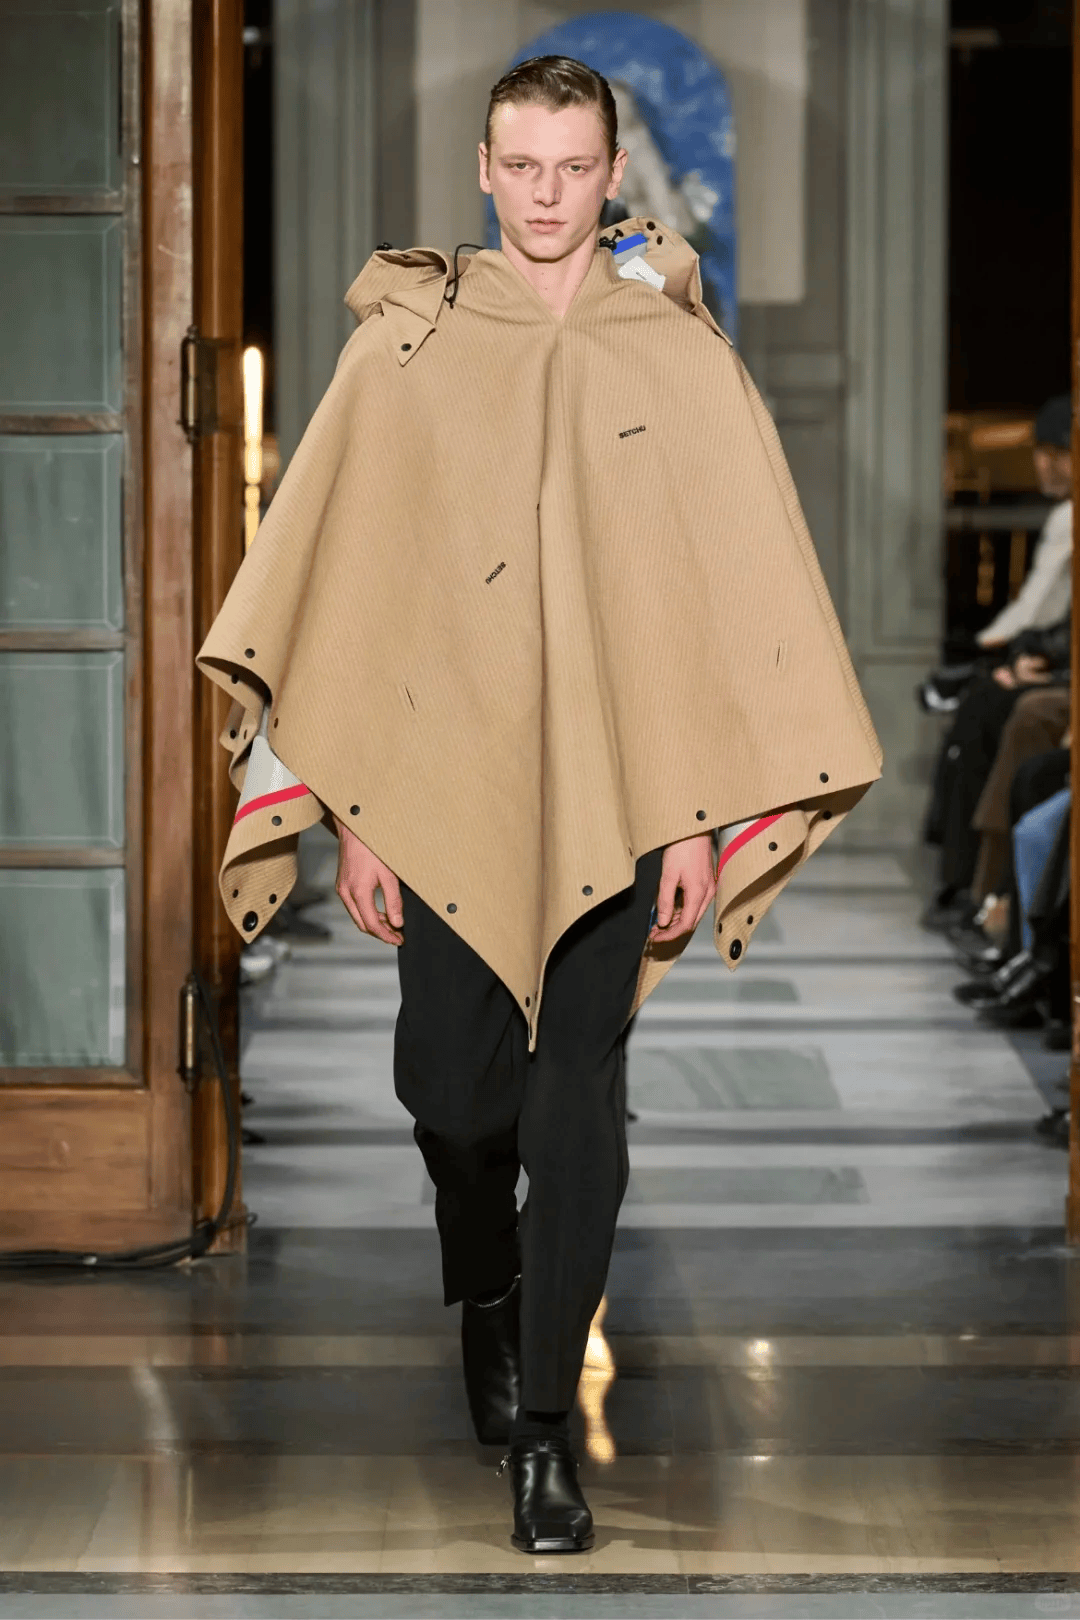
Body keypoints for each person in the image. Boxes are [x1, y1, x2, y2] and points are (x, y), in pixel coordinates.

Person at [197, 56, 881, 1554]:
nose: (550, 194)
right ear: (485, 168)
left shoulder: (674, 351)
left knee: (578, 1107)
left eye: (576, 167)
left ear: (613, 170)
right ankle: (490, 1286)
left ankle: (546, 1434)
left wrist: (695, 815)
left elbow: (711, 597)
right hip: (447, 785)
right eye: (524, 166)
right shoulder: (410, 345)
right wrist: (360, 814)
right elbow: (354, 588)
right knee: (454, 1103)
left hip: (627, 793)